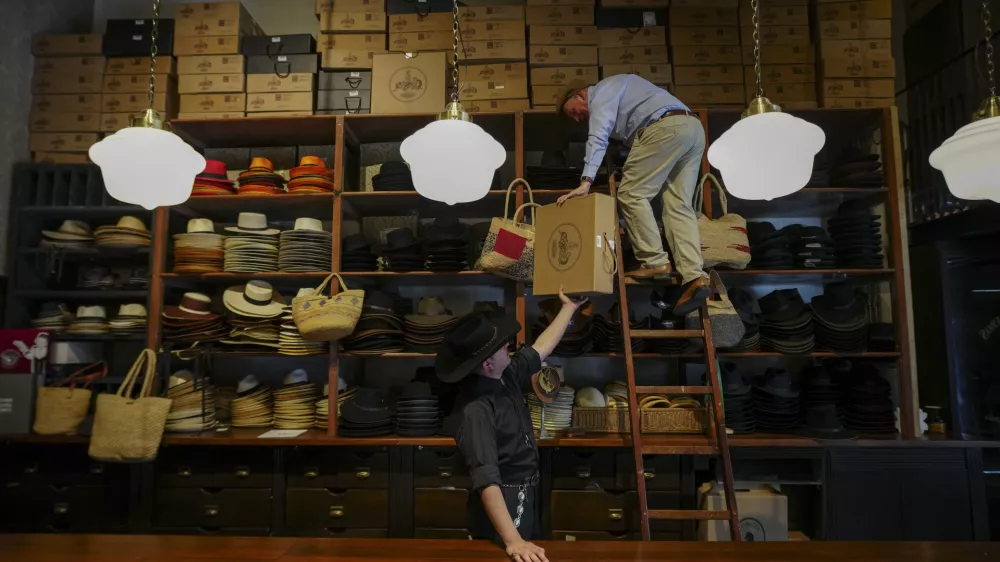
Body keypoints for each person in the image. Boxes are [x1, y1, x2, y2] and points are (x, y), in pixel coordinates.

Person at [437, 287, 586, 562]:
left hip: (524, 495)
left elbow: (540, 349)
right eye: (501, 346)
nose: (509, 346)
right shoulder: (475, 411)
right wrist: (513, 540)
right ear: (487, 363)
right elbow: (486, 479)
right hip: (502, 507)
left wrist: (568, 308)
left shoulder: (504, 375)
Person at [557, 74, 710, 316]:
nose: (577, 118)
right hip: (692, 128)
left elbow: (598, 136)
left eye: (573, 112)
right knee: (678, 205)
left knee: (630, 194)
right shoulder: (623, 89)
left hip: (665, 128)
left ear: (579, 95)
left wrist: (586, 181)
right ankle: (695, 277)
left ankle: (654, 261)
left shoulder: (602, 92)